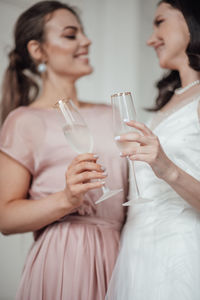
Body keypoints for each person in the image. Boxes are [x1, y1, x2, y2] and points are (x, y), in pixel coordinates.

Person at [0, 1, 128, 299]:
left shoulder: (112, 112)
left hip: (122, 256)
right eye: (71, 35)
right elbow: (4, 218)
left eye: (83, 33)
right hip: (65, 259)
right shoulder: (24, 120)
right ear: (37, 50)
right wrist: (67, 198)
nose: (86, 41)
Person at [106, 0, 200, 299]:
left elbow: (166, 169)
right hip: (137, 247)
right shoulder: (169, 100)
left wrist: (168, 169)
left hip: (181, 247)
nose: (150, 39)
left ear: (191, 19)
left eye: (159, 22)